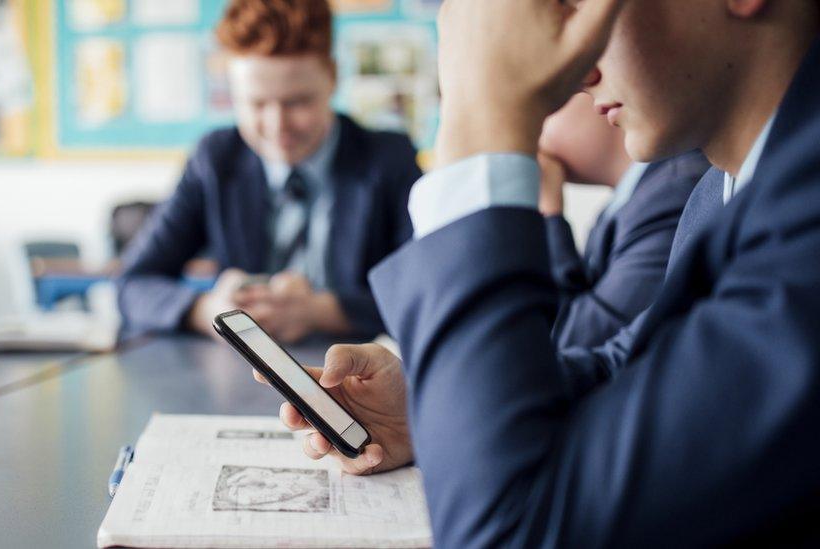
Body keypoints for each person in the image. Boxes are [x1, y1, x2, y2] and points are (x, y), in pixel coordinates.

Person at [264, 0, 820, 545]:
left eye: (585, 7)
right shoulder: (722, 194)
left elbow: (509, 531)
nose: (580, 74)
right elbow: (628, 369)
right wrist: (435, 412)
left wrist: (484, 117)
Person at [116, 0, 421, 344]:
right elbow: (132, 284)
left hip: (358, 379)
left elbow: (426, 294)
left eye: (298, 102)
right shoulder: (216, 159)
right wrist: (210, 312)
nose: (278, 127)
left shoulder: (388, 159)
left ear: (333, 77)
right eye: (257, 103)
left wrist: (320, 311)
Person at [538, 92, 708, 348]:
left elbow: (569, 344)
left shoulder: (675, 193)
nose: (528, 138)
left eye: (541, 106)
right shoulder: (619, 210)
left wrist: (546, 214)